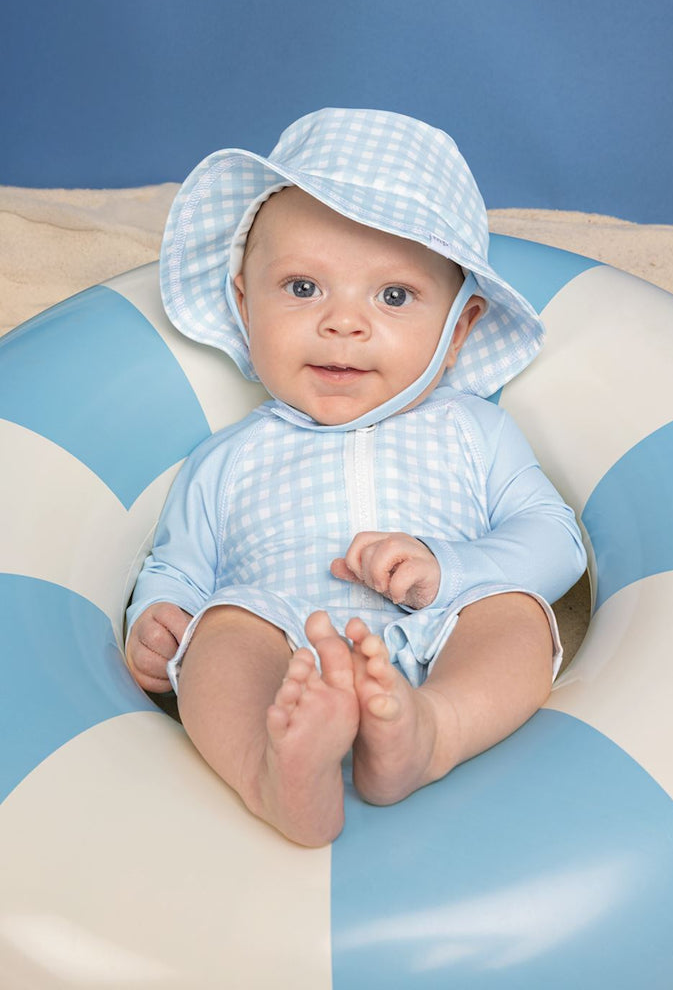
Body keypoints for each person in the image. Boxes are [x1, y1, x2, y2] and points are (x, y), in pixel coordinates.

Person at [125, 108, 586, 847]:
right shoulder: (227, 457)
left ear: (458, 328)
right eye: (303, 288)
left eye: (394, 296)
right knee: (221, 631)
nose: (344, 323)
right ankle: (270, 767)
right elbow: (179, 564)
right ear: (245, 304)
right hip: (282, 648)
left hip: (442, 638)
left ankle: (431, 730)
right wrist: (160, 618)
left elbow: (556, 542)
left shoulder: (473, 429)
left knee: (516, 615)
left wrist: (451, 569)